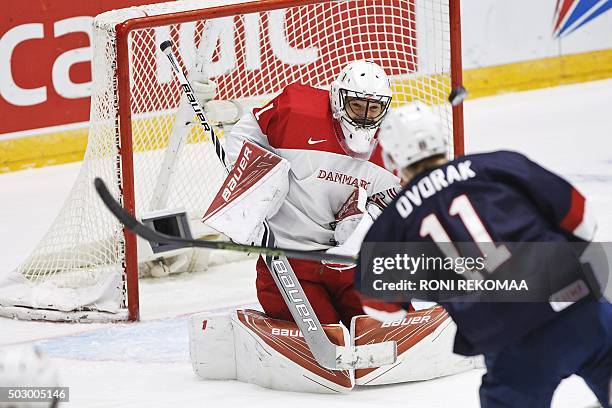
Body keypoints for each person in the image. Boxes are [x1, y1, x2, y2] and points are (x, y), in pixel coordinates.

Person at [358, 101, 612, 407]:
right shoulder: (500, 165)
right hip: (581, 310)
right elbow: (584, 221)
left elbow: (382, 309)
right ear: (442, 139)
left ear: (390, 158)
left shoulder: (394, 222)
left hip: (514, 345)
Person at [195, 59, 400, 327]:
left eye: (373, 109)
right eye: (357, 106)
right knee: (325, 330)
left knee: (380, 325)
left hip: (351, 267)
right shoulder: (298, 112)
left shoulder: (394, 147)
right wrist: (250, 182)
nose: (363, 117)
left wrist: (363, 228)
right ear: (338, 100)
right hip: (290, 261)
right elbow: (248, 130)